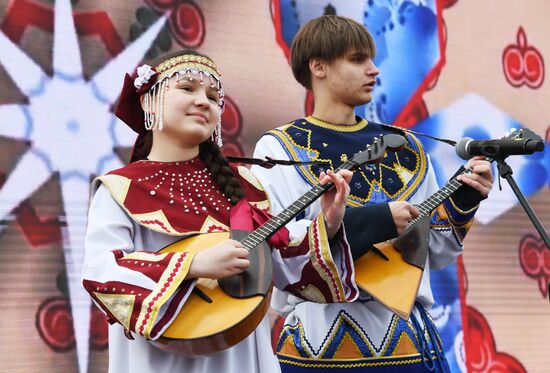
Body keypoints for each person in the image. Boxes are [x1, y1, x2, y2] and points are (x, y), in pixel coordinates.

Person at [81, 49, 359, 373]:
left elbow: (281, 264)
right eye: (187, 88)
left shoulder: (245, 186)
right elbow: (102, 272)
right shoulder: (120, 187)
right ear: (147, 101)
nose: (204, 102)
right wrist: (192, 265)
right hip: (164, 360)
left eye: (213, 97)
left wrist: (327, 222)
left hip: (243, 354)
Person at [252, 15, 493, 372]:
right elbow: (277, 247)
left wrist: (464, 199)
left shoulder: (406, 147)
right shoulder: (279, 148)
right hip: (317, 344)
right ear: (317, 66)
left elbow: (436, 252)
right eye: (357, 59)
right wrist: (377, 220)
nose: (374, 70)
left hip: (407, 343)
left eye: (372, 59)